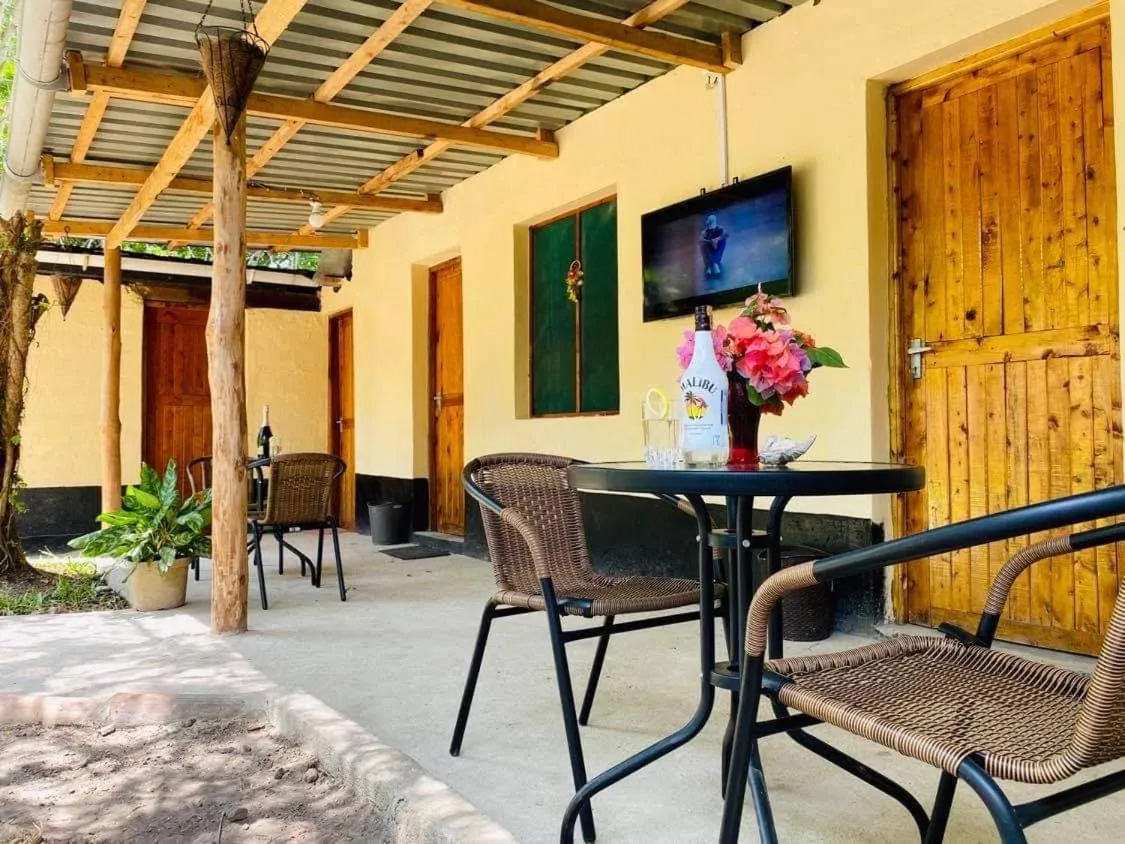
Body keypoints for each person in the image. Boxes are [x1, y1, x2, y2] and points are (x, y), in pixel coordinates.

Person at [700, 214, 728, 278]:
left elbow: (726, 234)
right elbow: (701, 239)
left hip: (717, 253)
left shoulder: (720, 229)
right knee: (703, 245)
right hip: (709, 254)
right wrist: (710, 241)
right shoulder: (705, 232)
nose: (711, 229)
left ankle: (714, 264)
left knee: (722, 241)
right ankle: (711, 264)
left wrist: (716, 239)